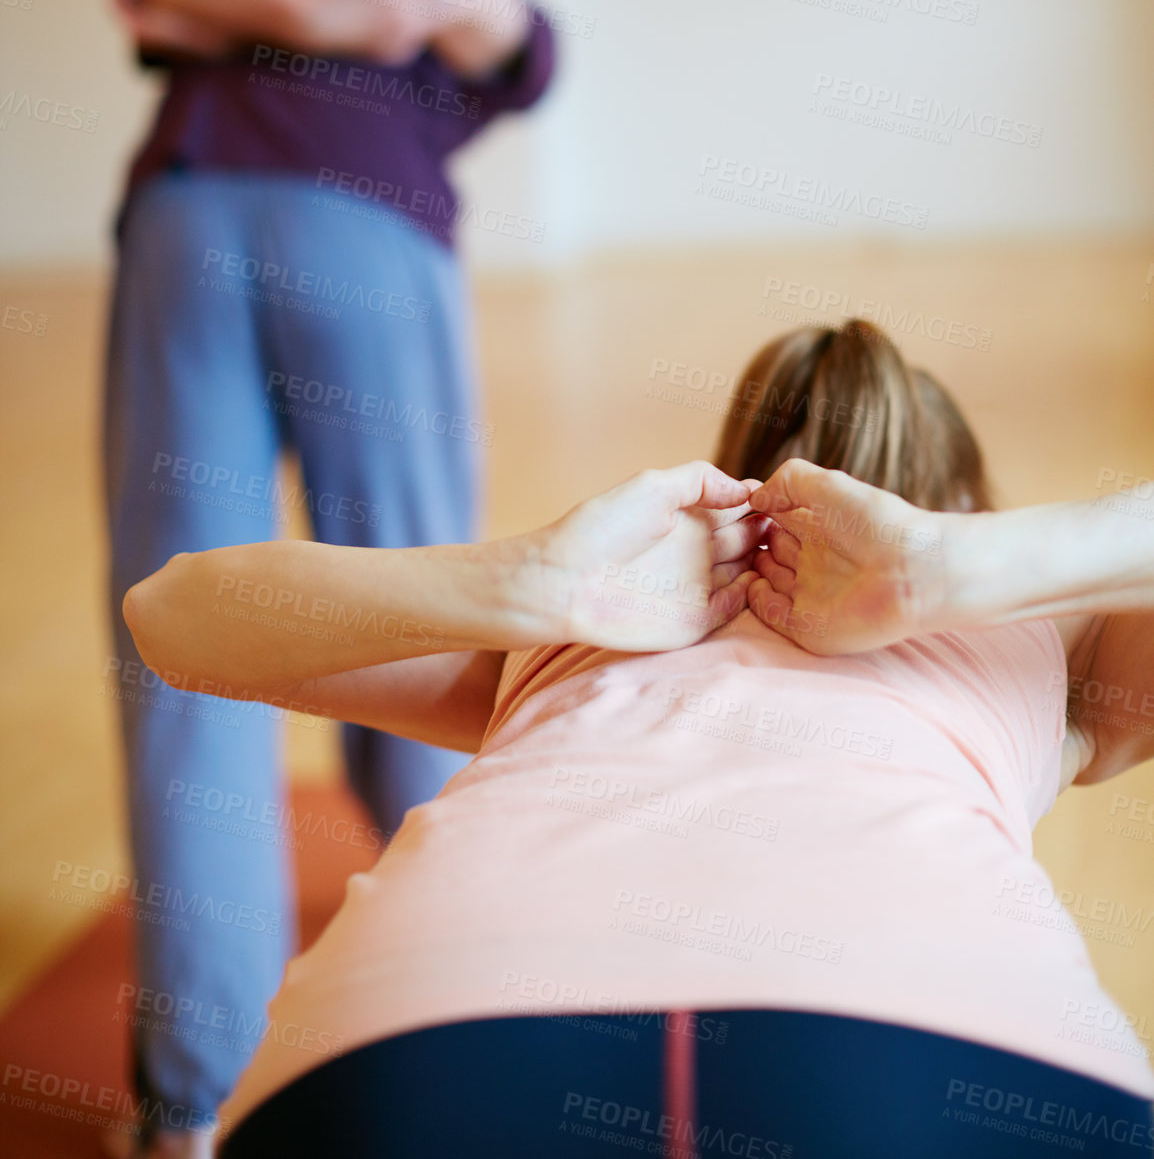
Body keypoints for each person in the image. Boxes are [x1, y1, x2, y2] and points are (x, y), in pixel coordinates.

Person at [123, 322, 1154, 1157]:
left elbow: (170, 614)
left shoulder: (584, 625)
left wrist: (524, 583)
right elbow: (169, 619)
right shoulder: (1051, 633)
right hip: (956, 1053)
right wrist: (959, 569)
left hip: (423, 1045)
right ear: (967, 498)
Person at [104, 0, 554, 1154]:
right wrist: (329, 13)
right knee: (420, 616)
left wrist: (294, 8)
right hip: (359, 242)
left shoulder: (430, 26)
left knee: (178, 640)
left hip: (187, 224)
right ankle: (453, 1025)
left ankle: (193, 1110)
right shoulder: (376, 38)